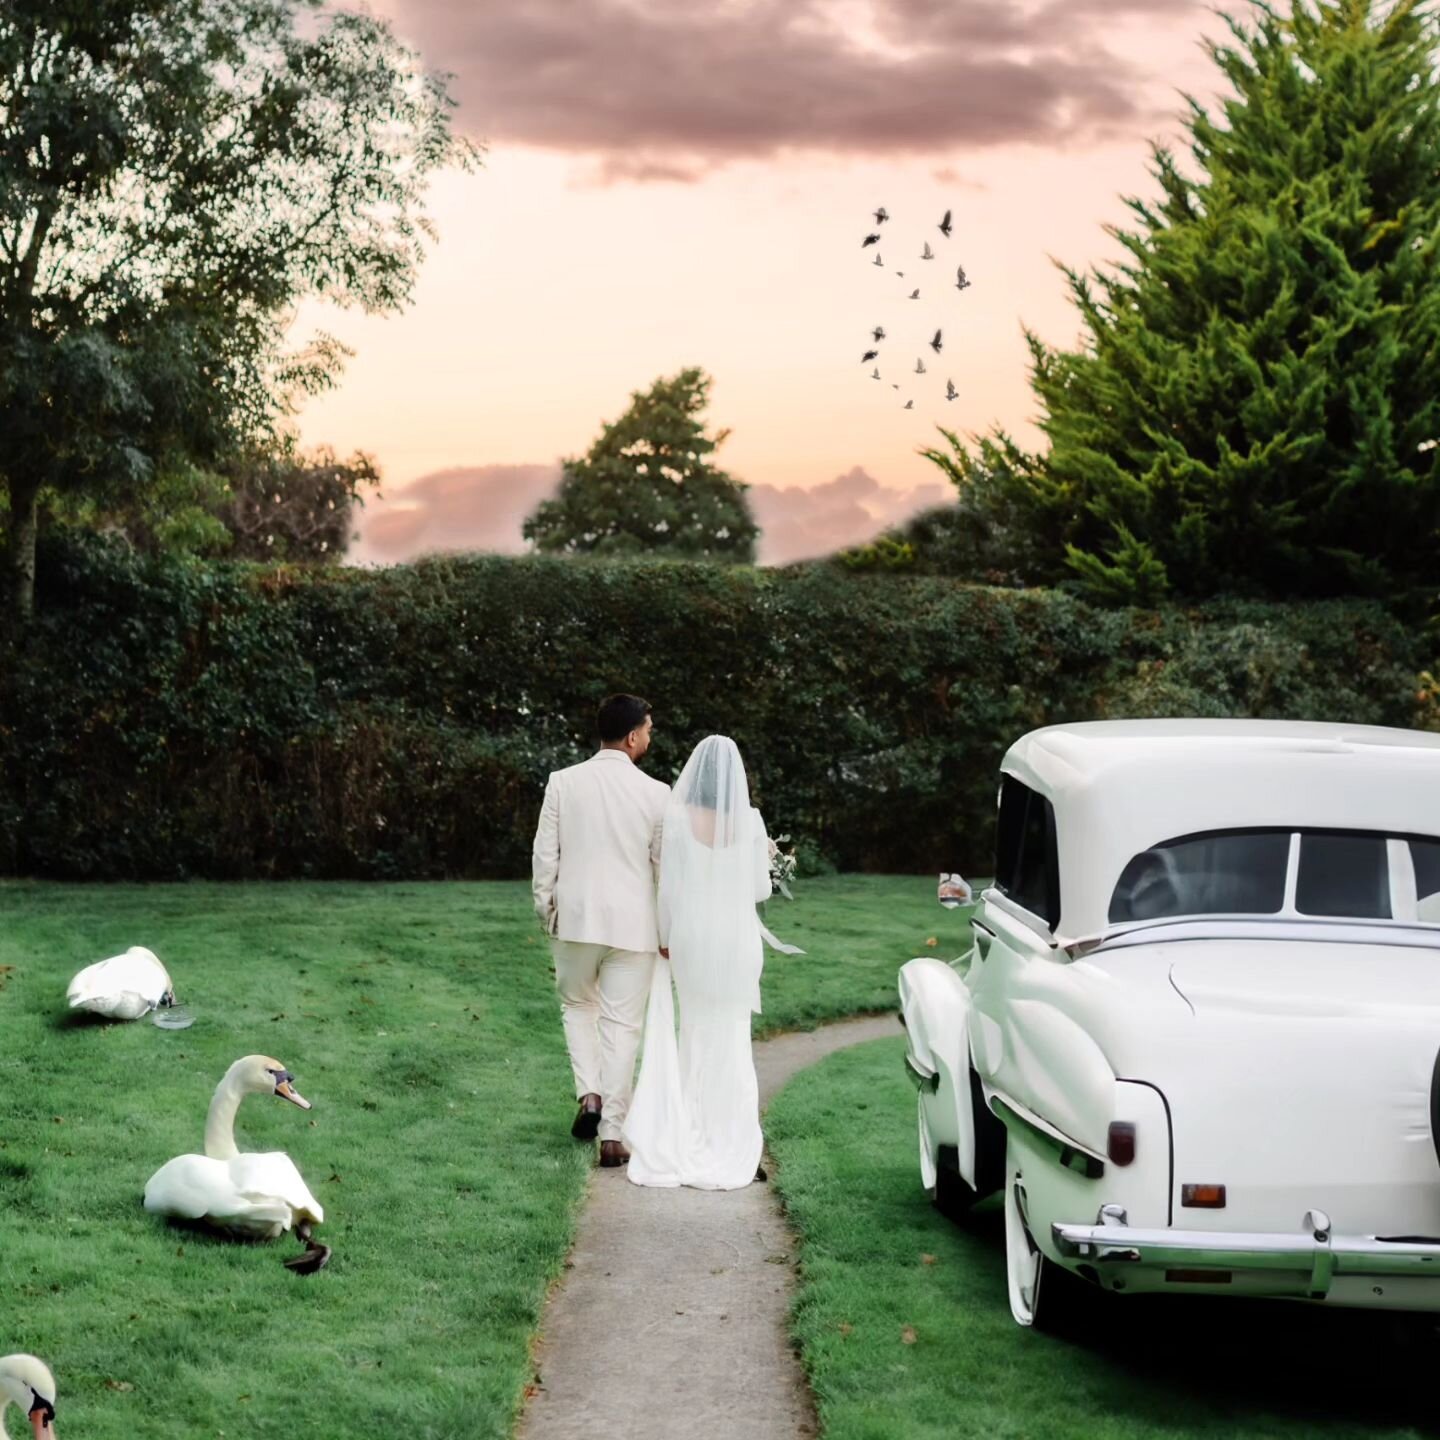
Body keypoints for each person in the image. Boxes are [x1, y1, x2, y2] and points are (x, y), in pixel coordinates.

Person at [623, 735, 802, 1191]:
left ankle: (690, 1131)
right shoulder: (752, 822)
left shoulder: (679, 820)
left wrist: (664, 938)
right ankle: (733, 1137)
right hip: (736, 942)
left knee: (696, 1033)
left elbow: (669, 887)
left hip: (692, 940)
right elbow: (760, 891)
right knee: (733, 1036)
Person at [532, 694, 669, 1167]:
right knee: (623, 1026)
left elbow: (545, 854)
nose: (649, 739)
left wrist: (545, 907)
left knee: (577, 1006)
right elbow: (662, 870)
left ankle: (589, 1094)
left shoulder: (563, 783)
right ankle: (612, 1134)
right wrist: (666, 930)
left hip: (574, 918)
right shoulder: (657, 793)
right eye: (648, 730)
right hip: (634, 926)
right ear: (632, 736)